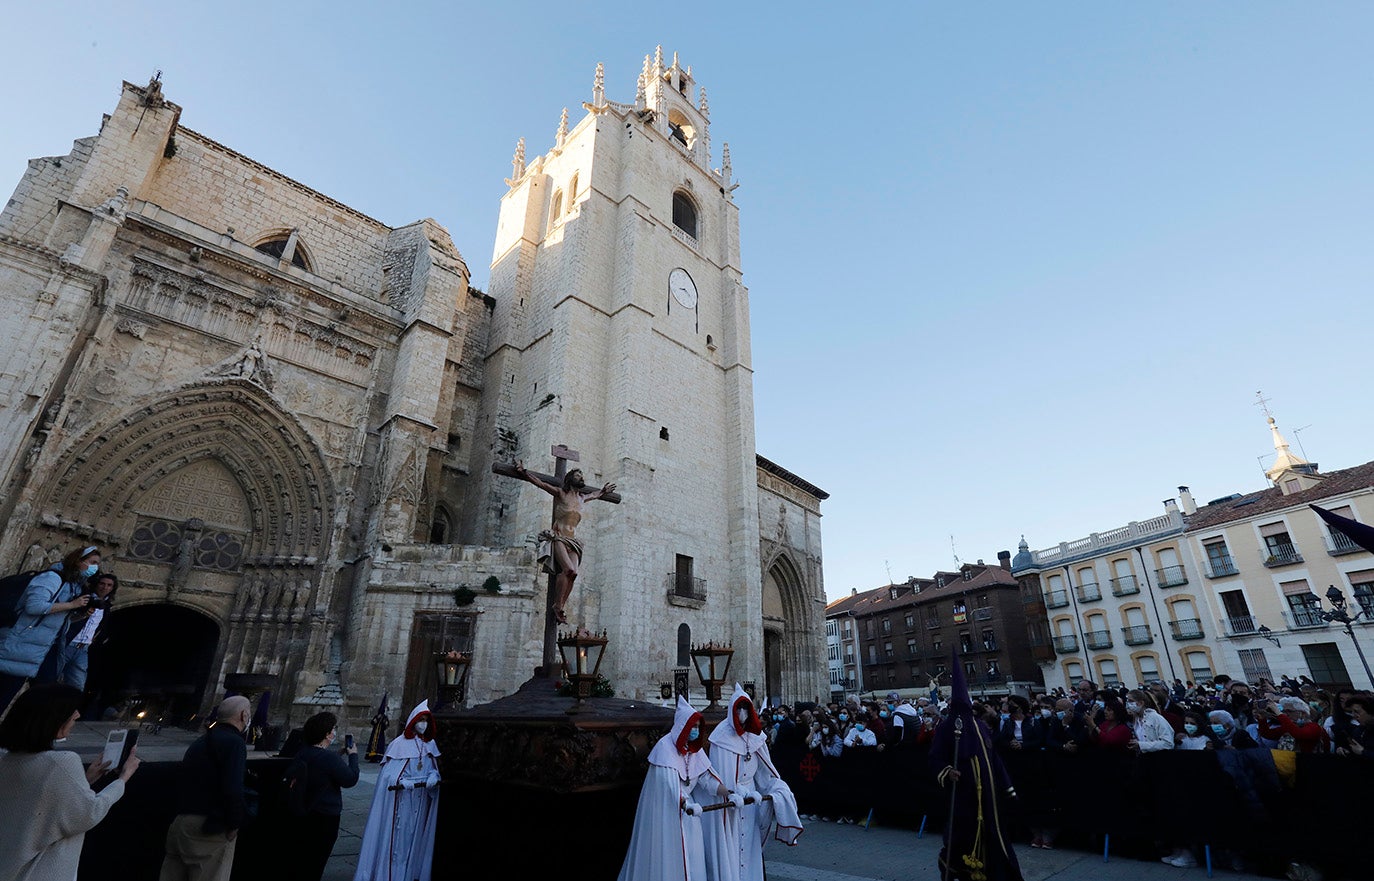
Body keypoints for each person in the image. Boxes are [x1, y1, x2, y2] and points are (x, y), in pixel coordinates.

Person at [0, 684, 140, 880]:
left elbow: (38, 802)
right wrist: (123, 779)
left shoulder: (5, 759)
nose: (77, 715)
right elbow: (89, 813)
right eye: (72, 711)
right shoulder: (62, 762)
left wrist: (85, 780)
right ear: (54, 720)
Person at [930, 654, 1023, 881]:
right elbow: (935, 758)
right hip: (963, 795)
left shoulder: (980, 726)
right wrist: (948, 771)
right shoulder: (946, 728)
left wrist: (1007, 787)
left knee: (993, 835)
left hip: (988, 796)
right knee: (962, 836)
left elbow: (994, 758)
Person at [616, 696, 728, 881]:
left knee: (694, 856)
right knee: (672, 857)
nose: (695, 730)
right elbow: (667, 786)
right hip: (667, 813)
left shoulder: (694, 750)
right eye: (692, 726)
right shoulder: (665, 748)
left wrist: (728, 792)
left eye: (697, 727)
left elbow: (706, 779)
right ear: (682, 726)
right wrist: (684, 802)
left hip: (690, 815)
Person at [702, 684, 802, 881]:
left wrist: (776, 788)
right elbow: (720, 775)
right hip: (731, 802)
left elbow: (765, 773)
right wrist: (734, 791)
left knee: (750, 846)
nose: (742, 713)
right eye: (738, 708)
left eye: (745, 708)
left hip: (751, 802)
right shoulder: (721, 738)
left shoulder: (756, 737)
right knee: (732, 848)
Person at [0, 546, 102, 714]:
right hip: (19, 646)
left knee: (42, 695)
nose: (95, 568)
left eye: (97, 564)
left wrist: (81, 615)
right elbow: (34, 606)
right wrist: (72, 604)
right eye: (92, 562)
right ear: (78, 561)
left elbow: (59, 619)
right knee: (5, 693)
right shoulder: (52, 578)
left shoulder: (74, 585)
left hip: (39, 650)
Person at [512, 460, 616, 624]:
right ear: (570, 479)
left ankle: (560, 605)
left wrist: (603, 491)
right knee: (568, 569)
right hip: (559, 537)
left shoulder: (582, 498)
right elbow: (541, 484)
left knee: (574, 574)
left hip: (573, 542)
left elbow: (596, 494)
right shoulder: (561, 493)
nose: (581, 478)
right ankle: (557, 605)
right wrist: (524, 472)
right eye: (577, 475)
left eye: (581, 475)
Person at [160, 695, 252, 881]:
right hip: (208, 829)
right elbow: (233, 787)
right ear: (244, 715)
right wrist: (234, 823)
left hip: (180, 824)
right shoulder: (234, 743)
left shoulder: (201, 741)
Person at [354, 701, 441, 881]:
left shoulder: (429, 744)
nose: (423, 724)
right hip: (402, 801)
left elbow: (432, 767)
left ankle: (410, 874)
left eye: (426, 721)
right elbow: (388, 776)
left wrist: (433, 776)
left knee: (416, 839)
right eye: (420, 720)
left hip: (421, 800)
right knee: (399, 842)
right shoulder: (399, 745)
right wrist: (402, 782)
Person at [287, 712, 360, 881]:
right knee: (316, 862)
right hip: (325, 816)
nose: (334, 732)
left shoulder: (303, 752)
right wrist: (353, 756)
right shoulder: (328, 758)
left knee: (300, 859)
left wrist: (337, 754)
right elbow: (350, 779)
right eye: (333, 729)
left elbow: (320, 764)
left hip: (303, 811)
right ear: (327, 734)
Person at [36, 571, 117, 692]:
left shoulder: (106, 607)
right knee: (49, 679)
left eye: (109, 585)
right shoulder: (82, 598)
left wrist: (96, 639)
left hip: (83, 649)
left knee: (77, 686)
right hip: (68, 643)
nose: (105, 587)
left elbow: (101, 627)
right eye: (102, 583)